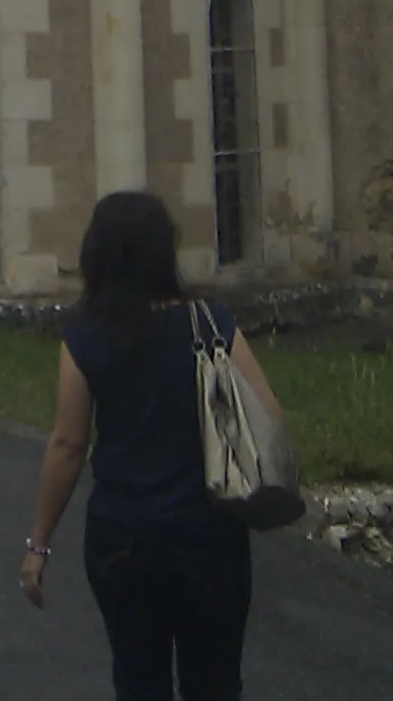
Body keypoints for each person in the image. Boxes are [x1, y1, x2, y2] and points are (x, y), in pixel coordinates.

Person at [19, 189, 285, 699]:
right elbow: (267, 411)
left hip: (123, 538)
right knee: (215, 682)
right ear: (165, 251)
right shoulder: (211, 324)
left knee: (139, 678)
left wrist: (38, 544)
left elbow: (69, 446)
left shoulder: (83, 340)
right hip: (210, 534)